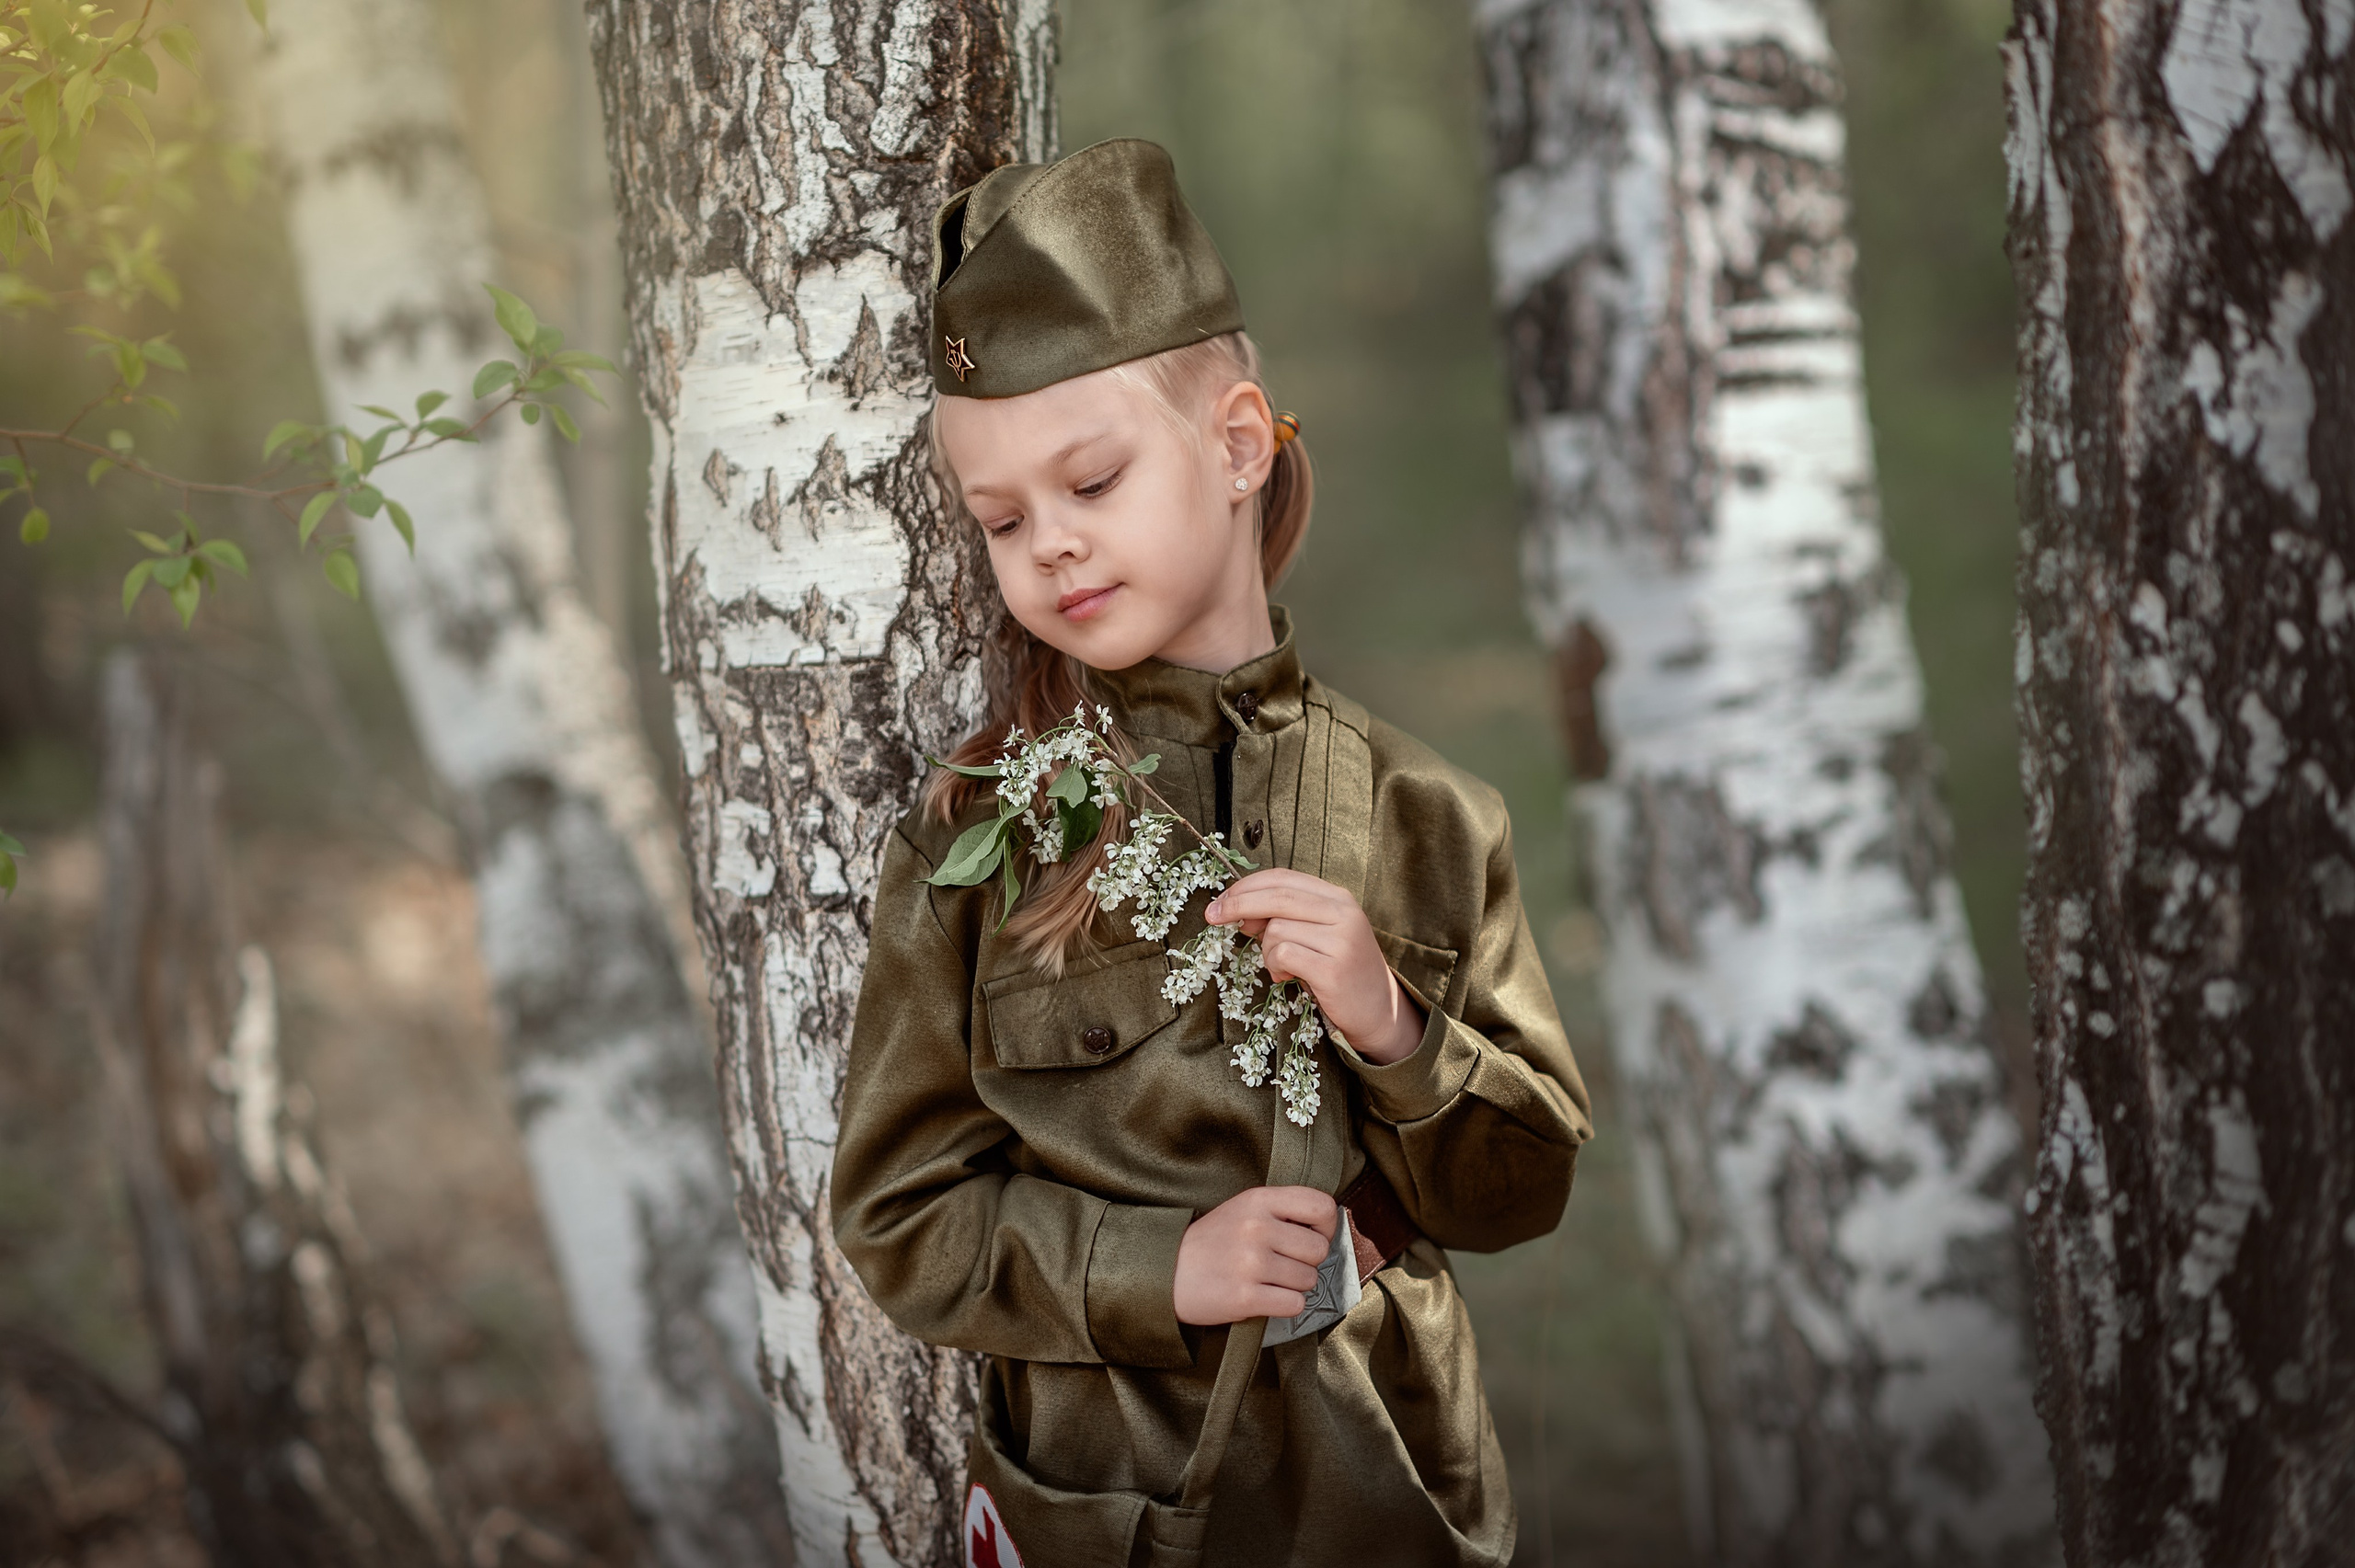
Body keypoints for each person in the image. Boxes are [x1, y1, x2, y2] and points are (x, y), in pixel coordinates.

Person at [831, 137, 1592, 1568]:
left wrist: (1393, 1025)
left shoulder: (1433, 815)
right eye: (1002, 520)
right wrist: (1154, 1265)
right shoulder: (980, 835)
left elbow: (1525, 1186)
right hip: (1113, 1500)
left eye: (1092, 481)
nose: (1050, 545)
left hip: (1387, 1487)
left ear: (1239, 445)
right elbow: (897, 1213)